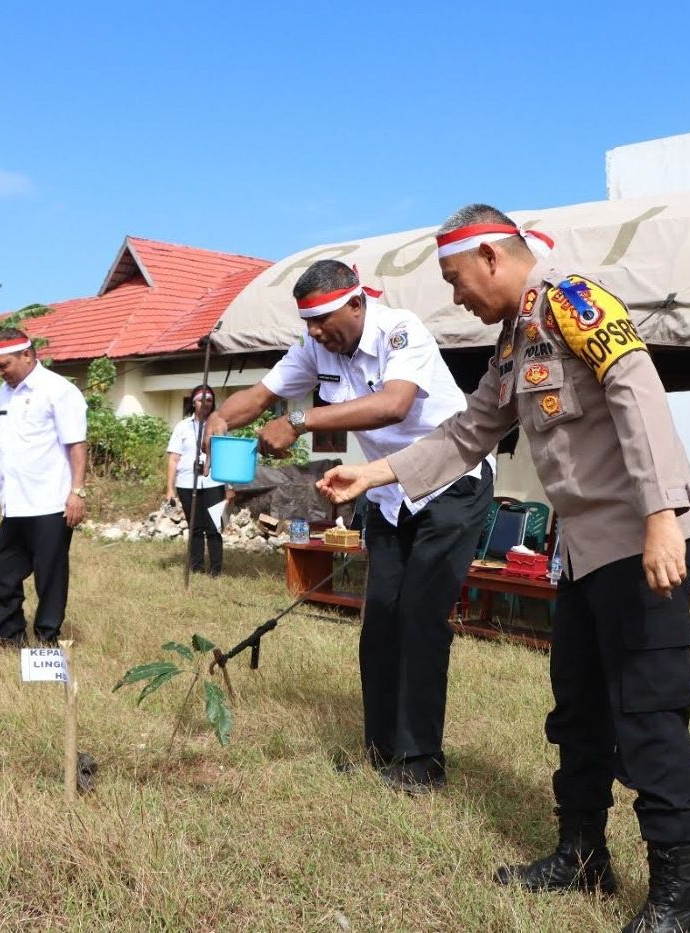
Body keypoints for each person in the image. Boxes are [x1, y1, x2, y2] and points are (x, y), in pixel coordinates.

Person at [318, 205, 690, 933]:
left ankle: (681, 897)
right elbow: (469, 432)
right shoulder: (514, 343)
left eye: (456, 279)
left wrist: (663, 512)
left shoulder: (574, 301)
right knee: (578, 711)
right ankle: (582, 852)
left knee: (648, 714)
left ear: (493, 259)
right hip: (585, 555)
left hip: (642, 544)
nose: (455, 296)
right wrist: (374, 471)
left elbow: (636, 387)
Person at [205, 259, 493, 794]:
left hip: (450, 485)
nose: (314, 333)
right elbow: (263, 395)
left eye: (322, 320)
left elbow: (393, 404)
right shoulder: (316, 346)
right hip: (383, 493)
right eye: (307, 323)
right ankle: (381, 750)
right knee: (381, 620)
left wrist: (300, 420)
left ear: (357, 304)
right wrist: (223, 418)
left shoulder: (401, 331)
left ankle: (421, 761)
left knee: (420, 618)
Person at [0, 328, 88, 648]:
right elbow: (7, 445)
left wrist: (77, 492)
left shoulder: (59, 390)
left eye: (5, 365)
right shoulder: (3, 393)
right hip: (15, 503)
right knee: (1, 572)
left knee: (50, 577)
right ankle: (9, 638)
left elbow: (77, 444)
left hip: (51, 502)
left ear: (27, 355)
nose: (1, 373)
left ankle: (46, 639)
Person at [165, 384, 227, 576]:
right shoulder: (182, 427)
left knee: (214, 526)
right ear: (193, 403)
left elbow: (226, 456)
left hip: (213, 482)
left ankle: (216, 570)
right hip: (186, 482)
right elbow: (173, 459)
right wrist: (169, 489)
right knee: (195, 526)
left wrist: (230, 485)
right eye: (201, 400)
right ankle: (197, 567)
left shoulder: (220, 425)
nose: (205, 404)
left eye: (209, 400)